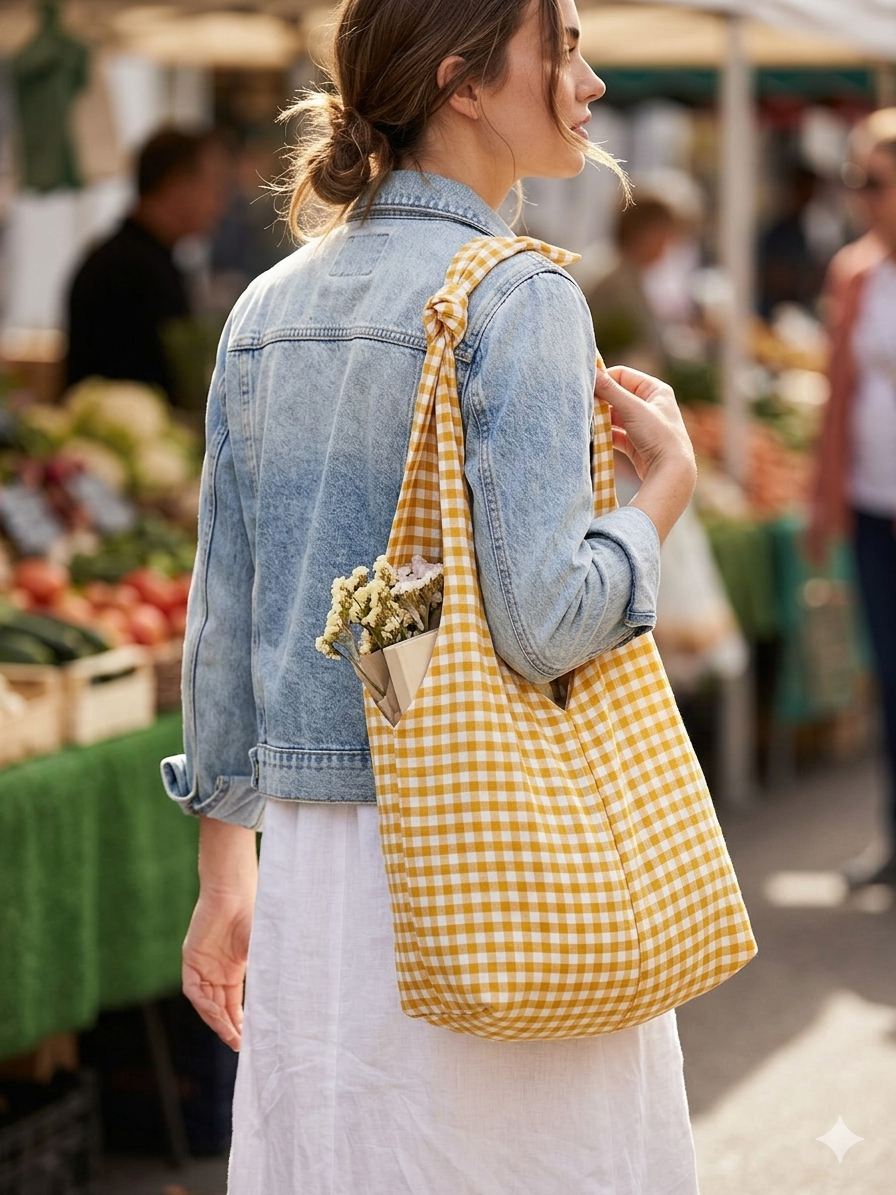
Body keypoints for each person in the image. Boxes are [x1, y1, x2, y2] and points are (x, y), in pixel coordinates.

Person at [161, 1, 702, 1191]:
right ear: (464, 81)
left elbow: (228, 614)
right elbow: (548, 617)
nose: (591, 80)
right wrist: (658, 493)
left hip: (316, 864)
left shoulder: (265, 309)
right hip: (488, 844)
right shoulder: (516, 296)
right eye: (562, 46)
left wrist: (224, 873)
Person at [811, 107, 896, 889]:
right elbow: (838, 393)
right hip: (876, 505)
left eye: (873, 181)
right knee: (889, 678)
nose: (862, 197)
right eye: (856, 181)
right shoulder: (855, 272)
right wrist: (822, 500)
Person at [66, 128, 226, 400]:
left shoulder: (137, 258)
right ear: (177, 185)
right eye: (213, 186)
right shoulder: (128, 270)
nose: (218, 204)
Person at [583, 193, 681, 375]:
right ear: (645, 233)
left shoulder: (626, 272)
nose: (668, 246)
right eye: (666, 235)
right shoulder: (613, 279)